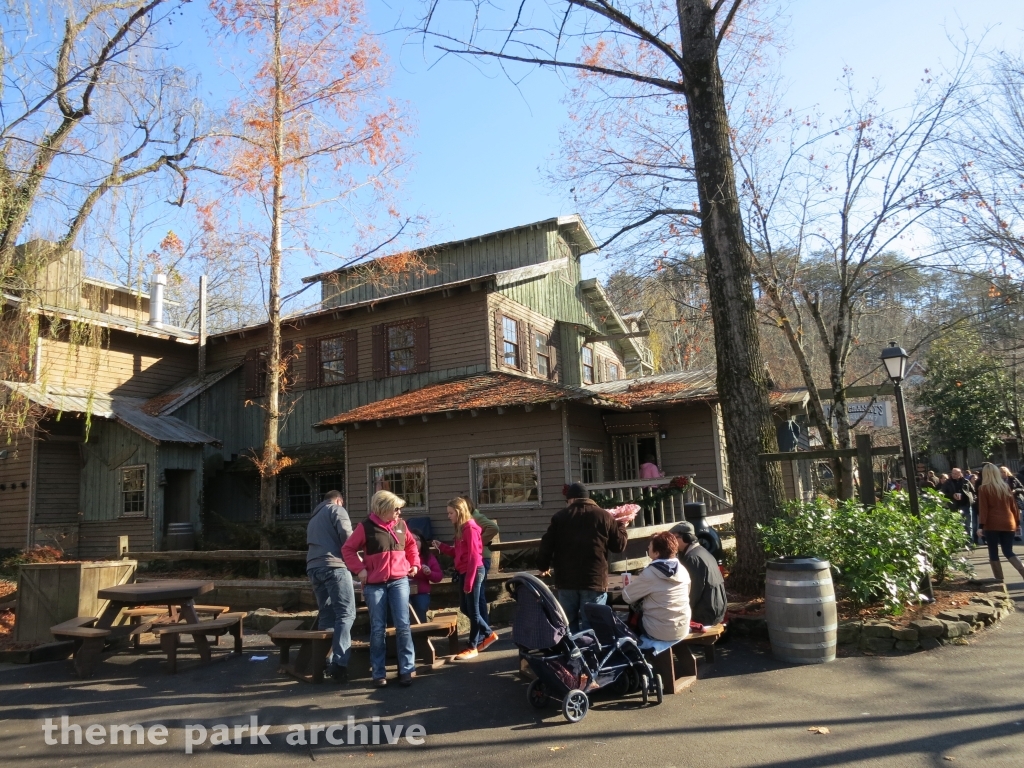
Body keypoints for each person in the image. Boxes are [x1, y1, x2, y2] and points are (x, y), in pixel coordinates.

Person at [342, 490, 420, 688]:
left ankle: (407, 669)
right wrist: (359, 570)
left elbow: (411, 546)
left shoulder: (401, 525)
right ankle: (378, 673)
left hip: (399, 580)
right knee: (378, 629)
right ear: (383, 508)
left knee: (403, 625)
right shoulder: (365, 527)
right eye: (396, 509)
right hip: (375, 584)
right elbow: (348, 549)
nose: (399, 512)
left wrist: (414, 564)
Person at [537, 482, 628, 633]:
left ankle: (572, 648)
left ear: (571, 499)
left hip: (566, 579)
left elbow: (546, 543)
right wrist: (621, 525)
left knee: (567, 625)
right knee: (592, 626)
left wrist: (543, 566)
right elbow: (618, 546)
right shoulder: (604, 516)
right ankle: (590, 647)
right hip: (594, 579)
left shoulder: (560, 517)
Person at [434, 497, 498, 659]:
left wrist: (469, 581)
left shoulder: (470, 528)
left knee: (474, 610)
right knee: (464, 608)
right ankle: (488, 633)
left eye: (451, 513)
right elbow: (457, 552)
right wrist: (442, 546)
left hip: (474, 571)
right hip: (464, 571)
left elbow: (474, 557)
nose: (448, 516)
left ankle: (473, 646)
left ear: (459, 512)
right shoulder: (460, 528)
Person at [305, 490, 356, 683]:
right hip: (334, 566)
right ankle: (339, 663)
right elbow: (347, 535)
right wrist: (355, 560)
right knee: (346, 613)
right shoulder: (336, 509)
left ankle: (322, 660)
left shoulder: (314, 517)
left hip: (313, 567)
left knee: (327, 614)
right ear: (339, 500)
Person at [620, 532, 691, 642]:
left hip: (658, 631)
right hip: (682, 628)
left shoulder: (650, 573)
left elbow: (627, 597)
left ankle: (638, 648)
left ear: (657, 553)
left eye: (650, 546)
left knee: (635, 613)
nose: (648, 547)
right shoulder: (683, 570)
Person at [671, 521, 728, 626]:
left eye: (674, 538)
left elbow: (692, 592)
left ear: (686, 538)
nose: (672, 542)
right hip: (715, 611)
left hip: (705, 615)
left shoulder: (693, 559)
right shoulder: (702, 552)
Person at [977, 462, 1024, 583]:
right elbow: (1014, 506)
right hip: (1009, 521)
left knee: (993, 551)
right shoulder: (1005, 487)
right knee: (1008, 550)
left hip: (992, 523)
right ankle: (1022, 569)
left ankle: (998, 578)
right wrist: (1017, 522)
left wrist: (980, 526)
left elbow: (984, 509)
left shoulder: (983, 488)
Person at [463, 496, 499, 637]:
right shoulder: (464, 521)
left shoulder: (476, 517)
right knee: (470, 602)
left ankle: (485, 631)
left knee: (479, 597)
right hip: (474, 559)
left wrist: (479, 541)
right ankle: (482, 629)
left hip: (481, 558)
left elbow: (493, 527)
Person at [409, 532, 442, 622]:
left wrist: (429, 573)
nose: (414, 542)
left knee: (420, 606)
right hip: (403, 592)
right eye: (411, 540)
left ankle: (422, 630)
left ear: (422, 542)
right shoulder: (402, 556)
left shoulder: (428, 557)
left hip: (421, 593)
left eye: (416, 539)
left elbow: (438, 577)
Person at [941, 468, 976, 543]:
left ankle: (969, 541)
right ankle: (959, 541)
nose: (953, 475)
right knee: (957, 524)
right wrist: (952, 495)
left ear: (960, 474)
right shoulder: (948, 482)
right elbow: (943, 493)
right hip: (954, 506)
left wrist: (970, 498)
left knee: (968, 524)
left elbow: (973, 491)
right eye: (953, 473)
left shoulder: (965, 481)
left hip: (965, 504)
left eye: (956, 474)